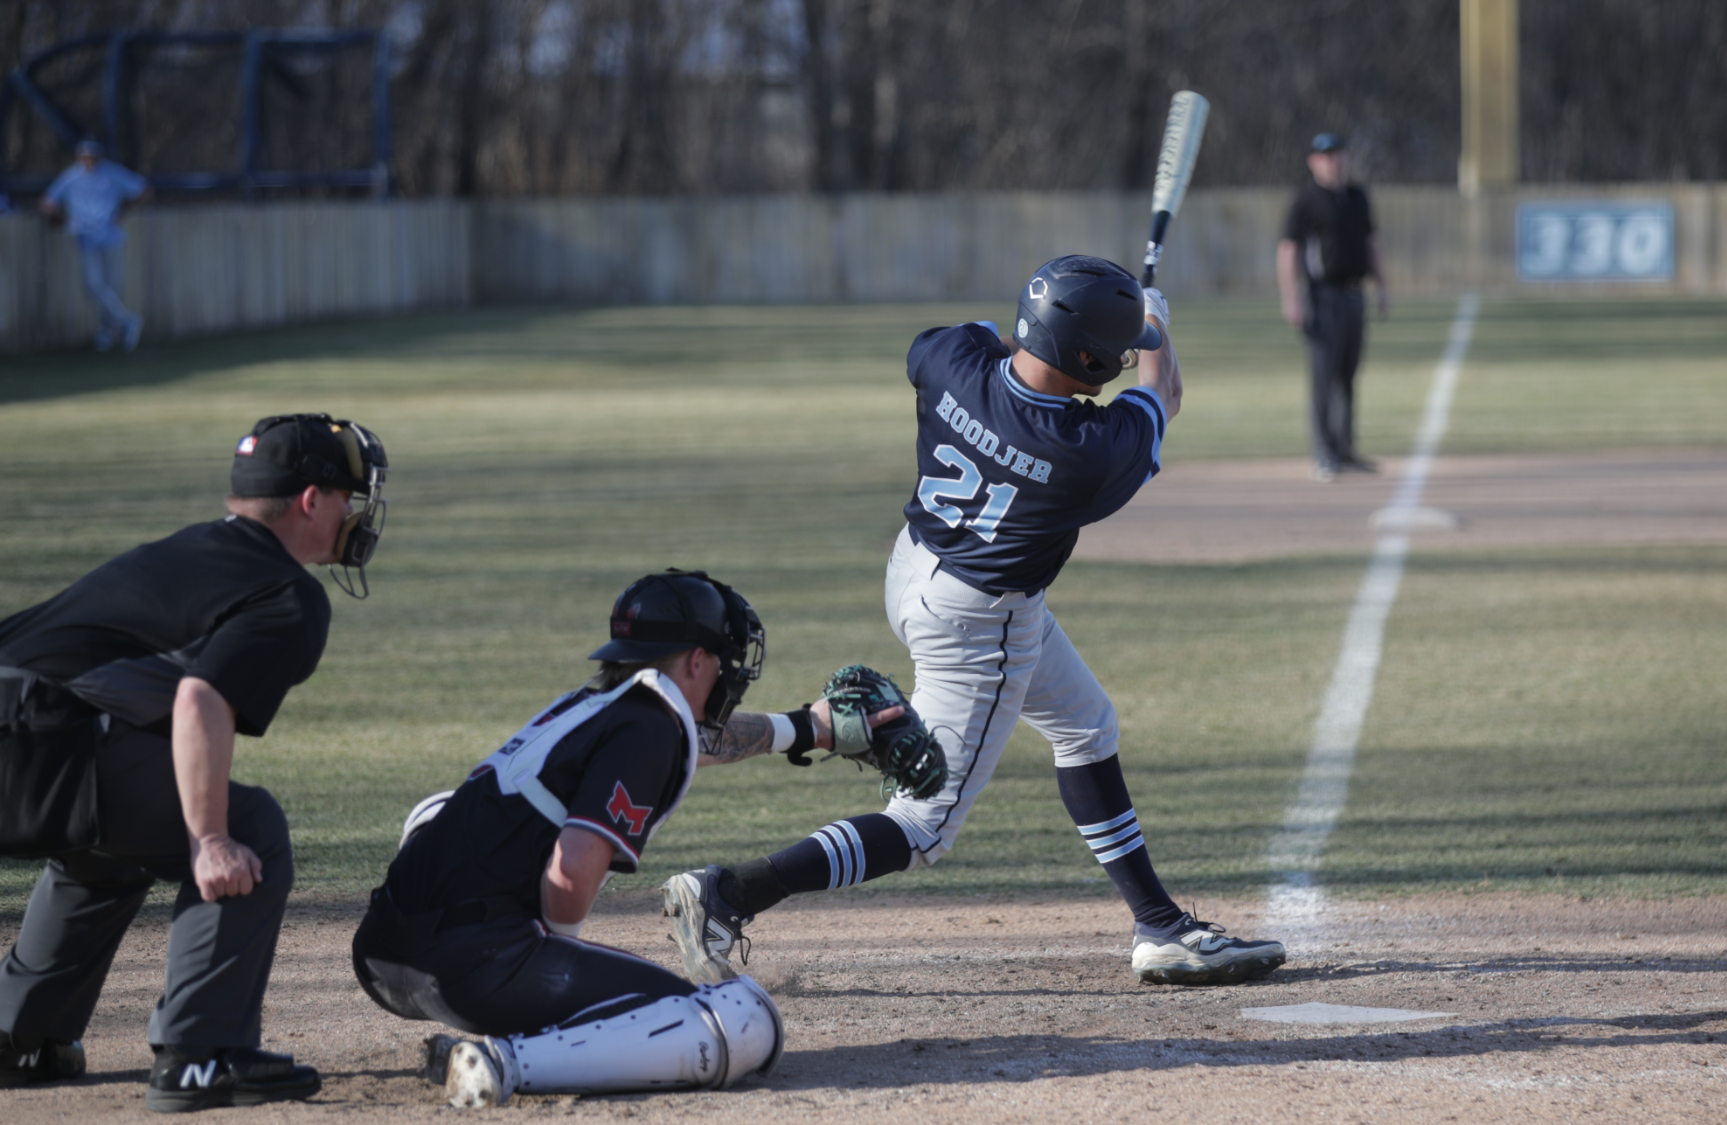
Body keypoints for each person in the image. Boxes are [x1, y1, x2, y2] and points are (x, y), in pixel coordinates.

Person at [661, 255, 1288, 988]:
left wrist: (1114, 322)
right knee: (922, 825)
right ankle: (728, 894)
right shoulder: (1085, 453)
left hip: (914, 567)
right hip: (982, 620)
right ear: (1089, 361)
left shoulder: (950, 359)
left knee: (1086, 725)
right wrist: (1155, 323)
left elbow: (988, 344)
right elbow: (1165, 391)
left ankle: (1158, 923)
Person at [352, 569, 900, 1107]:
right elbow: (569, 878)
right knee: (744, 1018)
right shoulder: (649, 726)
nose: (729, 675)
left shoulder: (592, 708)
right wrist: (550, 970)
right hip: (473, 966)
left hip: (385, 955)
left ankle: (509, 1030)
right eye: (723, 660)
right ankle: (505, 1063)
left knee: (442, 812)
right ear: (696, 660)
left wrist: (808, 728)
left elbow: (695, 743)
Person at [0, 413, 389, 1112]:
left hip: (29, 730)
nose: (353, 513)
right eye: (346, 497)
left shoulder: (193, 550)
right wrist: (210, 839)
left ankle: (17, 1035)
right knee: (248, 826)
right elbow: (200, 700)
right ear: (310, 500)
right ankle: (201, 1056)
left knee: (114, 847)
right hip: (38, 737)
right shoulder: (287, 591)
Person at [1277, 131, 1390, 480]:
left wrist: (1382, 287)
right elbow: (1288, 250)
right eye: (1325, 156)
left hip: (1355, 294)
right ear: (1314, 161)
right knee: (1324, 376)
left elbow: (1371, 242)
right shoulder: (1306, 200)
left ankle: (1345, 449)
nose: (1333, 161)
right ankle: (1324, 452)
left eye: (1337, 154)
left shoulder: (1357, 196)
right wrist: (1291, 299)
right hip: (1323, 297)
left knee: (1348, 374)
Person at [40, 140, 151, 353]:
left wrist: (123, 212)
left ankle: (106, 333)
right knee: (93, 285)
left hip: (112, 236)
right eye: (84, 157)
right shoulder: (71, 176)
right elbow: (48, 202)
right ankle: (127, 320)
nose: (88, 161)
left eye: (91, 157)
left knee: (112, 287)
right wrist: (63, 218)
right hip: (86, 238)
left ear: (99, 156)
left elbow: (142, 188)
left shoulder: (112, 172)